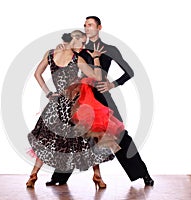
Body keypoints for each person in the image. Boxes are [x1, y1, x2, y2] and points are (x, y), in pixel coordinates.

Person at [46, 16, 154, 187]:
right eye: (85, 25)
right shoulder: (80, 49)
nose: (87, 28)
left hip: (102, 97)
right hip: (82, 97)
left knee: (119, 136)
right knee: (72, 135)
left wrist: (112, 84)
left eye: (90, 25)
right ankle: (59, 178)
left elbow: (129, 71)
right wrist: (62, 47)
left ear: (99, 27)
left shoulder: (110, 49)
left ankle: (143, 174)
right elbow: (64, 58)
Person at [26, 30, 124, 189]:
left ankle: (33, 176)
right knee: (88, 140)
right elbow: (98, 77)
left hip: (55, 105)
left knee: (47, 140)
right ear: (74, 39)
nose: (84, 46)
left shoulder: (50, 54)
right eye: (83, 42)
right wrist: (96, 59)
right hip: (73, 106)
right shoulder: (76, 59)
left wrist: (48, 93)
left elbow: (37, 74)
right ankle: (97, 176)